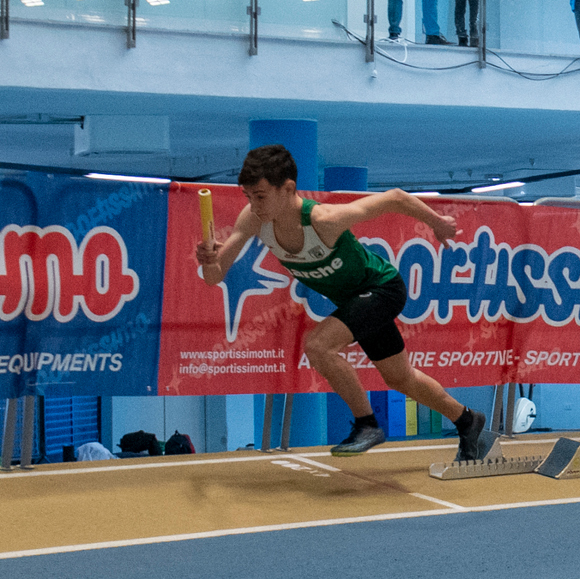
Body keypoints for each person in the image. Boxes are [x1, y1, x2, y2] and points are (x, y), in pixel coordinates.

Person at [196, 145, 491, 460]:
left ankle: (367, 425)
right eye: (248, 197)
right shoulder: (253, 220)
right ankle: (467, 420)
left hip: (383, 288)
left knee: (319, 346)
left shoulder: (323, 220)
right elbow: (215, 276)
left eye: (260, 196)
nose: (254, 205)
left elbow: (395, 198)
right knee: (400, 378)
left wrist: (438, 223)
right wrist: (209, 260)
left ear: (288, 189)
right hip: (356, 301)